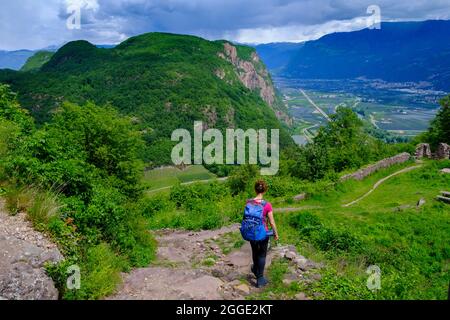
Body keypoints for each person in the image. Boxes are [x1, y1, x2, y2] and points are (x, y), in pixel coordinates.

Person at [249, 179, 279, 288]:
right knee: (261, 255)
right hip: (263, 233)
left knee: (254, 252)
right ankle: (260, 279)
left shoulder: (249, 202)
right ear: (265, 190)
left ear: (255, 189)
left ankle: (255, 269)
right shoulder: (267, 205)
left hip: (251, 232)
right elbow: (271, 222)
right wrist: (275, 233)